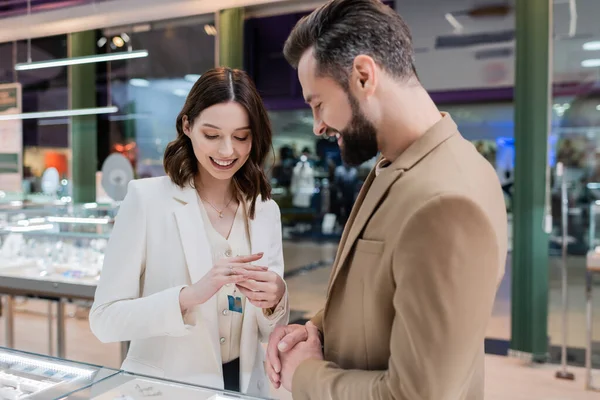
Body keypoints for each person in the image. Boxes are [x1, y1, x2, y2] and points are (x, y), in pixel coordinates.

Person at [265, 0, 508, 399]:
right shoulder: (397, 164)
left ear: (363, 75)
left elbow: (416, 394)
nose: (318, 125)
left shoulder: (447, 201)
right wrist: (316, 332)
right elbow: (377, 293)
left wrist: (304, 373)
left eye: (318, 103)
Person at [90, 67, 289, 397]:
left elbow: (270, 327)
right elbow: (104, 320)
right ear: (187, 125)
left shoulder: (265, 210)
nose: (228, 151)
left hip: (245, 387)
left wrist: (276, 299)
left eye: (241, 137)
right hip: (167, 390)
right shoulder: (147, 200)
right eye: (212, 135)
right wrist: (186, 298)